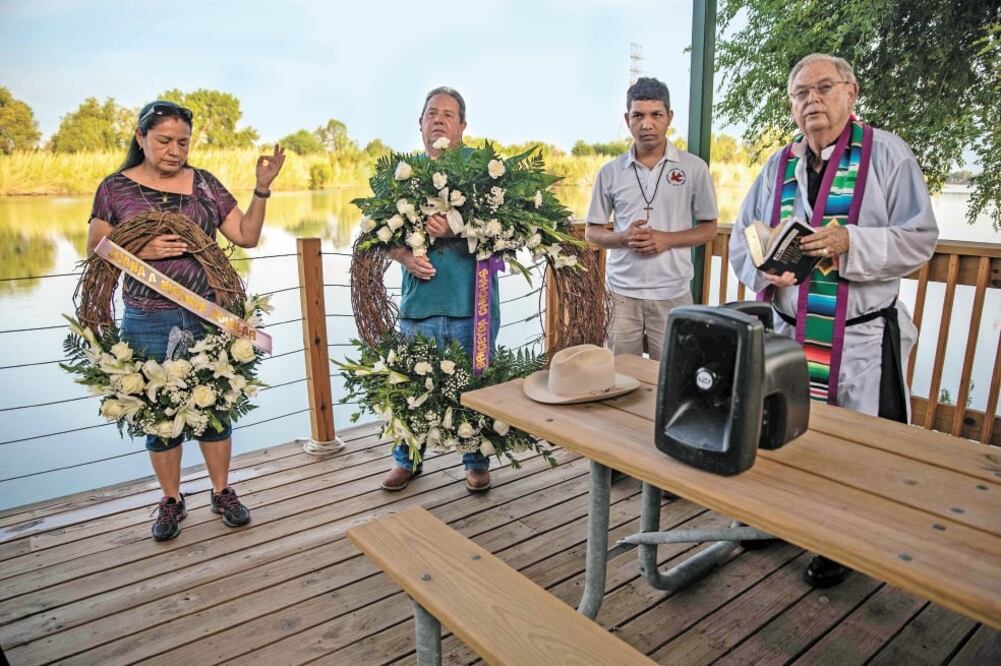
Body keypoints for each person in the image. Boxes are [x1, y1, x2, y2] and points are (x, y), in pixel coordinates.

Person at [729, 54, 938, 587]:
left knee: (853, 449)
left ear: (852, 92)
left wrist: (853, 241)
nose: (812, 101)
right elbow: (742, 235)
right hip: (791, 334)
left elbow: (920, 238)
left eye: (824, 88)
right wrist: (763, 267)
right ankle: (783, 520)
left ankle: (842, 541)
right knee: (787, 432)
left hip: (860, 340)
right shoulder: (778, 164)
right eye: (801, 93)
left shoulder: (887, 154)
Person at [86, 100, 286, 541]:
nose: (175, 150)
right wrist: (136, 250)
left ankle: (221, 491)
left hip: (208, 318)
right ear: (140, 138)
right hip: (146, 318)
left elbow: (246, 236)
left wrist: (262, 188)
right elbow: (95, 248)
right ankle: (172, 500)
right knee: (159, 413)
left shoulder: (206, 186)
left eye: (183, 142)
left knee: (214, 407)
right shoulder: (114, 188)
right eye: (164, 141)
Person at [380, 86, 498, 493]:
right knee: (412, 384)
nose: (439, 120)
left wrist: (456, 228)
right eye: (432, 113)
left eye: (449, 114)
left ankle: (476, 460)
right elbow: (381, 235)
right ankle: (406, 459)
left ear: (463, 125)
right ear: (420, 122)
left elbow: (510, 233)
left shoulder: (483, 172)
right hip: (420, 304)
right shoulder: (402, 176)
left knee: (474, 386)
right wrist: (405, 257)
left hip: (471, 304)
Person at [585, 77, 719, 361]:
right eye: (638, 115)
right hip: (621, 293)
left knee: (674, 377)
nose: (647, 124)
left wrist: (666, 240)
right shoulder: (609, 172)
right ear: (627, 119)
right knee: (621, 377)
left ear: (669, 117)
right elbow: (591, 232)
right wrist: (622, 238)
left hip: (673, 292)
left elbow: (710, 229)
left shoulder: (694, 168)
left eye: (656, 114)